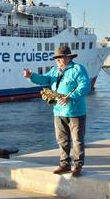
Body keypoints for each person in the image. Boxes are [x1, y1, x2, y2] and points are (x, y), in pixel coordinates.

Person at [23, 45, 90, 177]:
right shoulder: (55, 71)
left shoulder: (78, 69)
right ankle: (64, 164)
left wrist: (70, 97)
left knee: (77, 140)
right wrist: (31, 76)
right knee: (62, 140)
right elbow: (44, 79)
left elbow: (85, 85)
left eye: (61, 57)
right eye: (57, 58)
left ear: (68, 57)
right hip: (58, 111)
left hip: (76, 111)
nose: (58, 60)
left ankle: (78, 166)